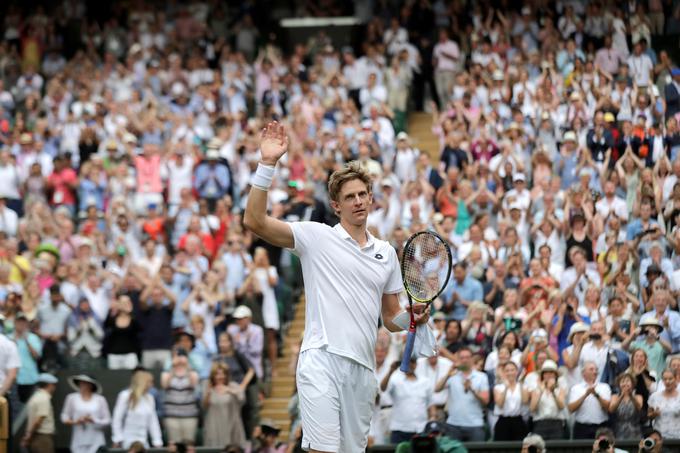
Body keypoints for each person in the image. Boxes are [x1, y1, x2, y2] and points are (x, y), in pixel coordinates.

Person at [243, 122, 429, 452]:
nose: (358, 201)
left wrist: (414, 318)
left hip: (362, 370)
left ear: (371, 198)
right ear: (336, 205)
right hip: (321, 360)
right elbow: (255, 222)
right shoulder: (316, 237)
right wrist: (267, 164)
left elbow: (391, 318)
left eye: (362, 194)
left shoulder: (386, 254)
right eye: (349, 197)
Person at [434, 346, 489, 441]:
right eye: (462, 358)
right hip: (454, 424)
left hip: (475, 425)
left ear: (472, 359)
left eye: (467, 357)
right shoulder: (452, 375)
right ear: (458, 359)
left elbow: (485, 401)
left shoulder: (481, 377)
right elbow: (437, 389)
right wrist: (448, 374)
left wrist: (472, 390)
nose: (465, 360)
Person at [381, 358, 436, 443]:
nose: (410, 364)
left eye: (412, 362)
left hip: (420, 429)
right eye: (408, 361)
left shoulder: (425, 381)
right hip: (399, 429)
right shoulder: (394, 379)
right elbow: (383, 388)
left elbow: (430, 403)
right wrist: (390, 371)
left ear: (416, 364)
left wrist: (433, 417)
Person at [111, 369, 163, 449]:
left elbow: (153, 422)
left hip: (143, 441)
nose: (151, 385)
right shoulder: (125, 396)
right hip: (127, 441)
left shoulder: (150, 398)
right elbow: (117, 419)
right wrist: (118, 438)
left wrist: (157, 441)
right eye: (149, 382)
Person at [60, 374, 111, 453]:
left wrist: (93, 420)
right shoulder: (71, 398)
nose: (82, 385)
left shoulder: (100, 399)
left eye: (85, 383)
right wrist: (76, 421)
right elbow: (64, 416)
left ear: (91, 385)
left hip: (96, 440)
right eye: (81, 383)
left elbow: (107, 420)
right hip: (78, 440)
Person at [202, 362, 246, 447]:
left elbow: (242, 399)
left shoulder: (233, 386)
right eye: (217, 374)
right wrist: (208, 392)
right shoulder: (207, 387)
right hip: (213, 425)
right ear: (213, 376)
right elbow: (204, 406)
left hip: (231, 425)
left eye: (223, 374)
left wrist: (230, 391)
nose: (220, 377)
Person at [161, 348, 200, 444]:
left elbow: (193, 383)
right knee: (174, 445)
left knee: (189, 444)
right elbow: (165, 385)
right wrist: (173, 366)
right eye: (176, 356)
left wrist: (187, 366)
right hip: (172, 416)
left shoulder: (192, 372)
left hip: (189, 415)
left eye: (181, 356)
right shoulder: (167, 373)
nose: (179, 359)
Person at [568, 361, 612, 439]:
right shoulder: (576, 388)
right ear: (583, 373)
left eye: (596, 370)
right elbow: (571, 408)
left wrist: (596, 394)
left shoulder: (604, 387)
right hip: (582, 428)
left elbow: (607, 407)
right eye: (591, 369)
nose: (595, 372)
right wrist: (585, 395)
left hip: (601, 427)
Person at [528, 360, 567, 440]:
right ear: (543, 375)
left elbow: (562, 406)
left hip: (556, 424)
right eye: (546, 373)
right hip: (540, 424)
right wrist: (540, 391)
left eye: (551, 372)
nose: (548, 375)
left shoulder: (560, 389)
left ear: (555, 375)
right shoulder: (536, 389)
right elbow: (532, 408)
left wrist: (553, 391)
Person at [22, 373, 58, 453]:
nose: (54, 387)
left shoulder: (36, 396)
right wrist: (28, 436)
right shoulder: (44, 398)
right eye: (54, 385)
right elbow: (38, 421)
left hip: (36, 437)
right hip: (42, 438)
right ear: (50, 385)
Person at [648, 369, 680, 440]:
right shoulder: (654, 396)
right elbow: (649, 415)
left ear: (675, 379)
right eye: (665, 379)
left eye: (670, 379)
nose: (667, 382)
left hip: (677, 436)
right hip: (660, 436)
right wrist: (654, 414)